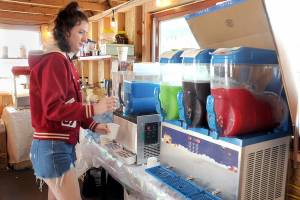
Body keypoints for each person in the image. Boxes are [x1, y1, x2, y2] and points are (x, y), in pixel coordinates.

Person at [29, 2, 116, 200]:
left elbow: (69, 104)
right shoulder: (55, 61)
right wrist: (94, 108)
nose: (86, 38)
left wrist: (93, 125)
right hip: (53, 148)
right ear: (66, 32)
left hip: (55, 147)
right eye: (81, 32)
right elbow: (54, 109)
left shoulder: (65, 61)